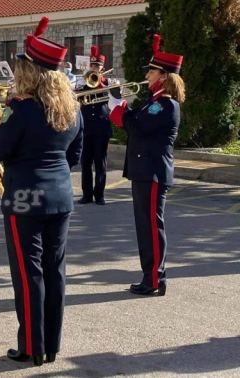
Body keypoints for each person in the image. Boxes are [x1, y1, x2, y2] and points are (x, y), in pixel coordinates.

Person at [0, 16, 83, 366]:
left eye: (18, 69)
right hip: (60, 198)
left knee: (28, 275)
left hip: (25, 199)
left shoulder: (24, 112)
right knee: (54, 272)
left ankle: (31, 347)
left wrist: (6, 119)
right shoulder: (73, 110)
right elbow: (74, 155)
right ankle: (50, 346)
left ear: (30, 73)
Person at [108, 34, 184, 296]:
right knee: (145, 226)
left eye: (151, 71)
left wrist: (117, 106)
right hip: (145, 171)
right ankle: (151, 276)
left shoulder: (166, 104)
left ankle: (153, 279)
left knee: (151, 226)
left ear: (163, 75)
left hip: (152, 172)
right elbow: (133, 123)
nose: (147, 75)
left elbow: (136, 127)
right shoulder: (154, 102)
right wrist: (121, 107)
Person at [77, 46, 112, 205]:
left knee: (100, 163)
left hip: (101, 128)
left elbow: (113, 100)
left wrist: (104, 86)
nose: (94, 68)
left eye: (97, 66)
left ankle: (100, 195)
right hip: (86, 129)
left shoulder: (109, 84)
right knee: (85, 163)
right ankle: (87, 195)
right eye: (92, 66)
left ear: (102, 68)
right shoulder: (83, 84)